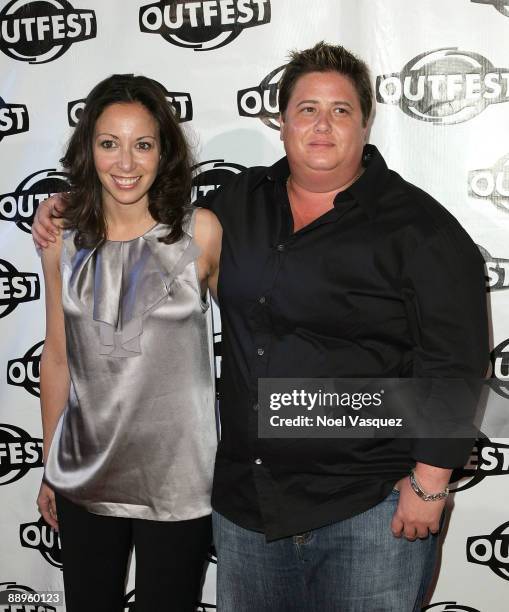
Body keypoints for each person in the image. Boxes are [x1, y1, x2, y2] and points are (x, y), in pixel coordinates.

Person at [34, 44, 489, 612]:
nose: (321, 125)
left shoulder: (420, 228)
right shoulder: (239, 204)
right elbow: (139, 213)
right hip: (251, 514)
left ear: (366, 121)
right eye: (306, 109)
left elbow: (455, 362)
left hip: (368, 509)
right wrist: (66, 205)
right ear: (281, 122)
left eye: (340, 110)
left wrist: (429, 483)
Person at [36, 74, 221, 612]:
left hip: (180, 484)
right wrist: (52, 463)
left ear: (163, 152)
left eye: (142, 144)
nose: (125, 162)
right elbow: (57, 357)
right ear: (88, 149)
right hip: (85, 477)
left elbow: (255, 338)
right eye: (109, 143)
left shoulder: (200, 233)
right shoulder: (62, 243)